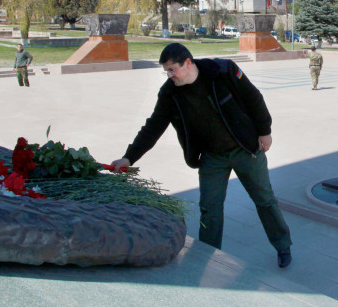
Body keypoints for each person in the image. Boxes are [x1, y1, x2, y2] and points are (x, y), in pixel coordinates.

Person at [110, 43, 293, 267]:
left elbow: (254, 98)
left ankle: (283, 245)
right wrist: (129, 157)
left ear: (188, 63)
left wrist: (265, 132)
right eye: (166, 71)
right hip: (212, 157)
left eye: (172, 69)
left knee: (264, 200)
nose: (169, 76)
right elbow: (153, 126)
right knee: (209, 209)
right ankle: (208, 255)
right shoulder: (170, 93)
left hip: (245, 150)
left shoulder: (223, 72)